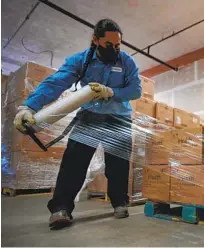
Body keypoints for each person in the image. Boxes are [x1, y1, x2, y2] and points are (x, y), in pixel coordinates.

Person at [13, 19, 142, 230]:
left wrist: (111, 92)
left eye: (118, 45)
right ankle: (61, 208)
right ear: (96, 40)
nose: (115, 49)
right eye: (109, 45)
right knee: (74, 162)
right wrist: (29, 107)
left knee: (118, 164)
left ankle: (119, 202)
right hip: (90, 115)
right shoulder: (80, 60)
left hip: (119, 118)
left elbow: (136, 90)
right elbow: (56, 83)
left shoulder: (126, 61)